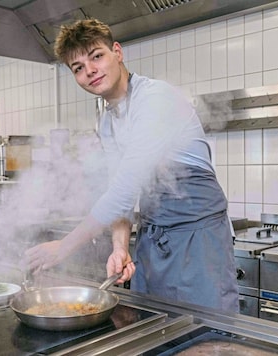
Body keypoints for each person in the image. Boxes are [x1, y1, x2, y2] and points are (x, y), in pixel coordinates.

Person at [24, 18, 239, 312]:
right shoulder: (109, 124)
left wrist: (65, 246)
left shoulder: (155, 99)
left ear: (117, 52)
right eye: (78, 68)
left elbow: (124, 190)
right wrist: (120, 248)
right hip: (154, 242)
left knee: (206, 338)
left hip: (197, 242)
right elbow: (120, 198)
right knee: (155, 334)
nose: (90, 71)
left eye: (96, 56)